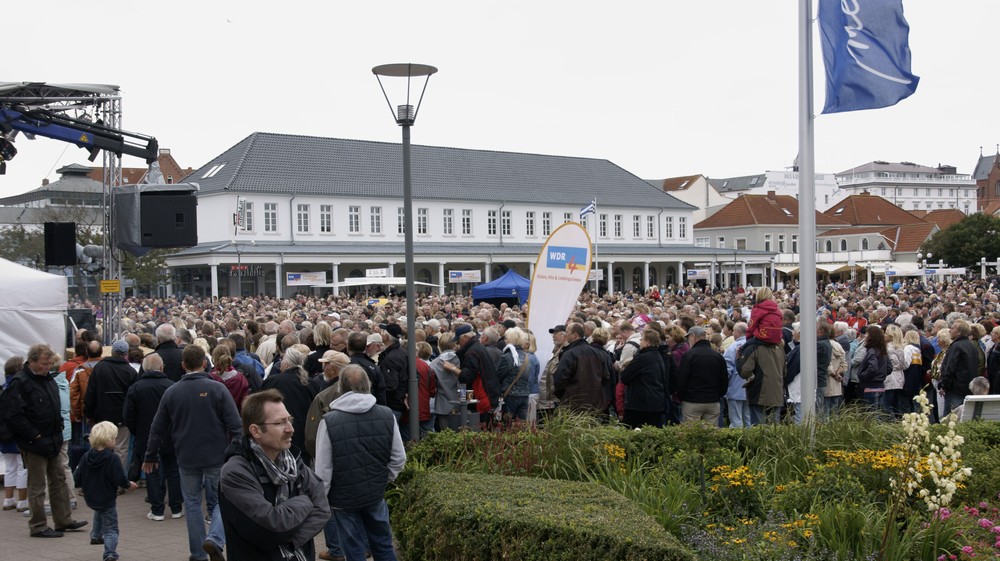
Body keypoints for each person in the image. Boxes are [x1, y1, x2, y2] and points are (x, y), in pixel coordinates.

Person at [143, 344, 242, 561]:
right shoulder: (218, 389)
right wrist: (237, 453)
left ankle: (198, 553)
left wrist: (150, 454)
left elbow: (157, 428)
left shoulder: (172, 392)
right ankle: (215, 538)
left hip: (187, 456)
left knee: (192, 503)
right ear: (205, 363)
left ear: (183, 365)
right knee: (224, 500)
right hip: (216, 455)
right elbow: (235, 425)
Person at [219, 390, 330, 561]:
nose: (291, 429)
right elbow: (272, 526)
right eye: (280, 423)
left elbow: (322, 510)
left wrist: (291, 542)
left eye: (289, 420)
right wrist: (305, 502)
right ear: (256, 431)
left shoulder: (294, 461)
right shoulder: (236, 472)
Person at [315, 365, 406, 561]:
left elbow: (323, 468)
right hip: (374, 492)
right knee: (383, 545)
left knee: (353, 549)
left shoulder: (328, 421)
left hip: (343, 497)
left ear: (341, 387)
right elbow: (399, 457)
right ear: (368, 384)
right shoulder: (386, 415)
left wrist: (322, 497)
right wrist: (384, 478)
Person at [3, 344, 87, 537]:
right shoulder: (20, 382)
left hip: (53, 438)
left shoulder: (48, 379)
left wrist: (58, 429)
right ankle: (38, 525)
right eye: (44, 363)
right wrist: (35, 435)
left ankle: (63, 519)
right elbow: (13, 415)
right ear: (32, 361)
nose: (47, 367)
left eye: (49, 363)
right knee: (37, 485)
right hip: (34, 443)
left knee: (59, 480)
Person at [123, 353, 182, 521]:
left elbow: (128, 415)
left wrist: (137, 431)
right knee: (173, 471)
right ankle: (176, 507)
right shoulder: (172, 386)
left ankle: (157, 509)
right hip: (170, 436)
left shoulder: (136, 388)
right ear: (162, 367)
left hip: (146, 436)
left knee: (151, 471)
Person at [74, 421, 139, 561]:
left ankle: (96, 535)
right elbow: (120, 478)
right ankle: (110, 553)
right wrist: (129, 485)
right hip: (107, 497)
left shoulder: (86, 456)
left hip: (91, 496)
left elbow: (76, 477)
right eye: (114, 438)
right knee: (111, 528)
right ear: (108, 440)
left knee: (99, 511)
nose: (115, 440)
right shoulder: (112, 458)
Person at [261, 345, 321, 465]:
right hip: (304, 435)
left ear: (287, 364)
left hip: (277, 433)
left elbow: (260, 406)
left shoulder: (273, 381)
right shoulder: (311, 383)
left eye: (282, 360)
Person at [83, 340, 137, 470]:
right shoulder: (130, 371)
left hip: (101, 417)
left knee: (99, 447)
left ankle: (100, 476)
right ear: (126, 354)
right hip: (121, 418)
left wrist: (88, 413)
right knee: (121, 449)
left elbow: (91, 392)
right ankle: (117, 477)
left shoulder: (99, 368)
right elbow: (134, 398)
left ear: (112, 352)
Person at [553, 322, 612, 413]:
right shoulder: (597, 353)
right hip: (593, 404)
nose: (565, 334)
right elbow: (605, 376)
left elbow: (559, 379)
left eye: (567, 332)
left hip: (573, 404)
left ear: (575, 335)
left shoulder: (569, 354)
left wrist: (565, 396)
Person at [675, 326, 728, 424]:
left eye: (688, 338)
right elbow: (724, 379)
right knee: (711, 431)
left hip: (692, 401)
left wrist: (681, 397)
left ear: (693, 336)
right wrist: (718, 395)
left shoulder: (689, 355)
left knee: (690, 431)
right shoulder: (717, 355)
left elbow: (682, 379)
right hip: (712, 401)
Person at [619, 328, 667, 428]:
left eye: (641, 339)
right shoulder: (658, 355)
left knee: (630, 432)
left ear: (648, 342)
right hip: (656, 403)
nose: (640, 341)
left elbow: (624, 377)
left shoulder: (643, 358)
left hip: (640, 405)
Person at [2, 356, 29, 513]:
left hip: (4, 433)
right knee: (22, 467)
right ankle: (22, 500)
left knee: (10, 467)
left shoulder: (3, 388)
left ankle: (8, 499)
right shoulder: (19, 387)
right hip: (18, 433)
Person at [939, 319, 981, 417]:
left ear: (959, 332)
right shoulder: (972, 346)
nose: (950, 330)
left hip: (955, 389)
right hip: (968, 388)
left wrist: (944, 385)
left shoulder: (956, 346)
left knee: (950, 419)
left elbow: (949, 368)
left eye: (952, 328)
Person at [494, 327, 530, 422]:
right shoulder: (526, 356)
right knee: (521, 425)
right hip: (524, 394)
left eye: (506, 338)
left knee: (507, 425)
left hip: (509, 395)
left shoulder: (507, 357)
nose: (504, 340)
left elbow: (498, 376)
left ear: (509, 340)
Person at [429, 333, 463, 431]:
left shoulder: (434, 364)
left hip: (443, 404)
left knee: (446, 434)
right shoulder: (462, 359)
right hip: (461, 402)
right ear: (455, 344)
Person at [722, 322, 750, 427]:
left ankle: (736, 437)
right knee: (749, 420)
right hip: (750, 388)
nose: (733, 333)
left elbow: (727, 368)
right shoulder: (753, 345)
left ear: (738, 332)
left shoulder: (733, 347)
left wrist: (724, 385)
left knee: (736, 420)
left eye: (733, 331)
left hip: (735, 387)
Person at [347, 331, 387, 406]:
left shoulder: (344, 365)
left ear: (348, 346)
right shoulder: (374, 367)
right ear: (365, 347)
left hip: (349, 406)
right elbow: (381, 393)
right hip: (371, 406)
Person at [858, 325, 890, 415]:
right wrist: (881, 374)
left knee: (872, 415)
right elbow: (889, 367)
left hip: (871, 387)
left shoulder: (872, 351)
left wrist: (863, 375)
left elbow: (873, 368)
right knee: (877, 413)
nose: (865, 336)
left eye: (867, 334)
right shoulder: (882, 350)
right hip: (880, 386)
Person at [210, 347, 250, 414]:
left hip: (215, 417)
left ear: (214, 358)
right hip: (235, 415)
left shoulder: (209, 378)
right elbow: (244, 402)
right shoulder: (240, 377)